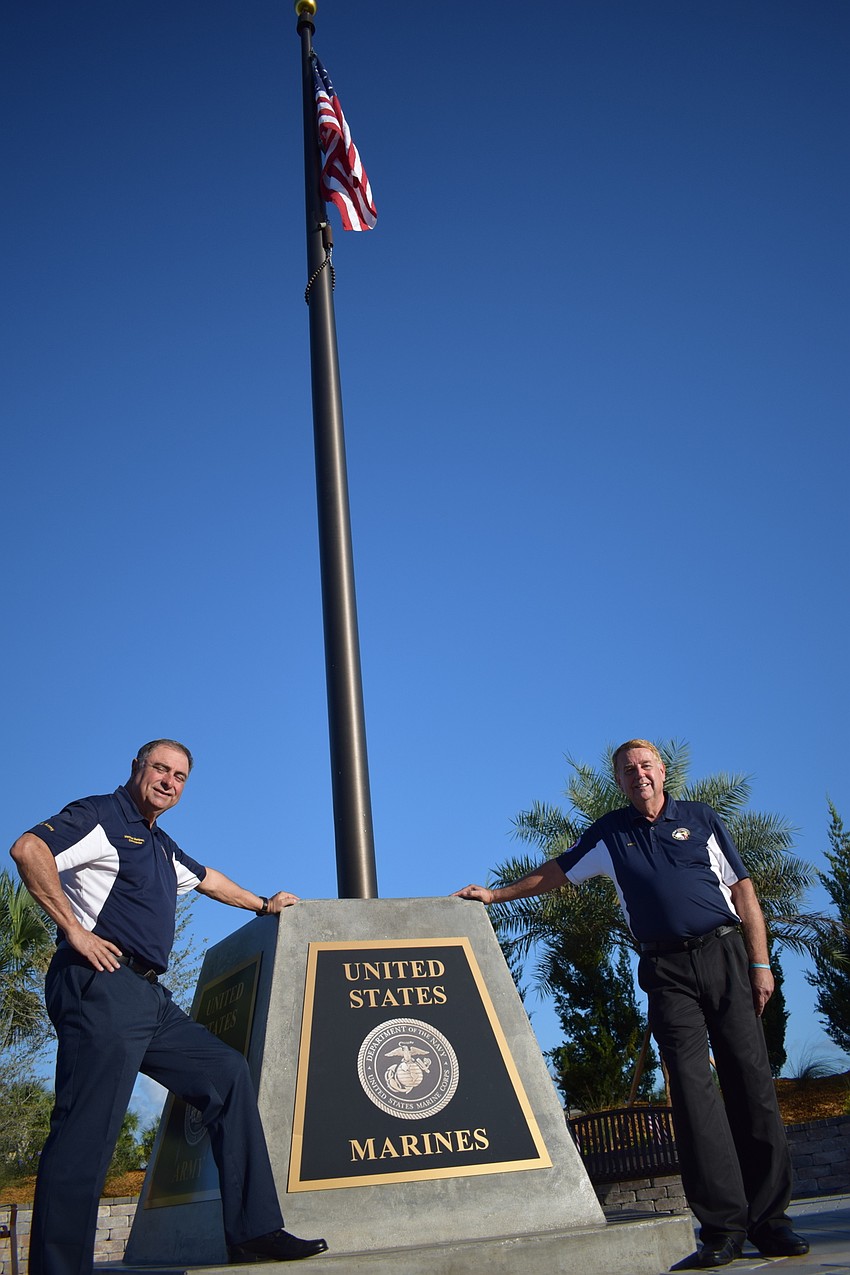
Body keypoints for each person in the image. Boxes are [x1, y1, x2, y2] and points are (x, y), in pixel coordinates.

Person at [455, 739, 808, 1269]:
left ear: (661, 772)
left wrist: (761, 964)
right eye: (627, 770)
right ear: (619, 782)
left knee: (751, 1084)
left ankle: (771, 1222)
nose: (638, 774)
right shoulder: (610, 834)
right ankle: (723, 1230)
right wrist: (497, 895)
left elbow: (743, 891)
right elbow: (557, 871)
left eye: (646, 765)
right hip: (666, 972)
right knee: (691, 1095)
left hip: (725, 957)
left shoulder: (702, 819)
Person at [10, 739, 328, 1275]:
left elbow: (209, 880)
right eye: (160, 769)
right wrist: (74, 931)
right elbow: (27, 849)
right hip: (99, 983)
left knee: (226, 1073)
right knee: (87, 1130)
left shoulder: (160, 844)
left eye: (179, 776)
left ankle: (253, 1231)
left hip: (146, 997)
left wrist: (264, 903)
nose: (168, 781)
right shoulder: (101, 815)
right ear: (137, 768)